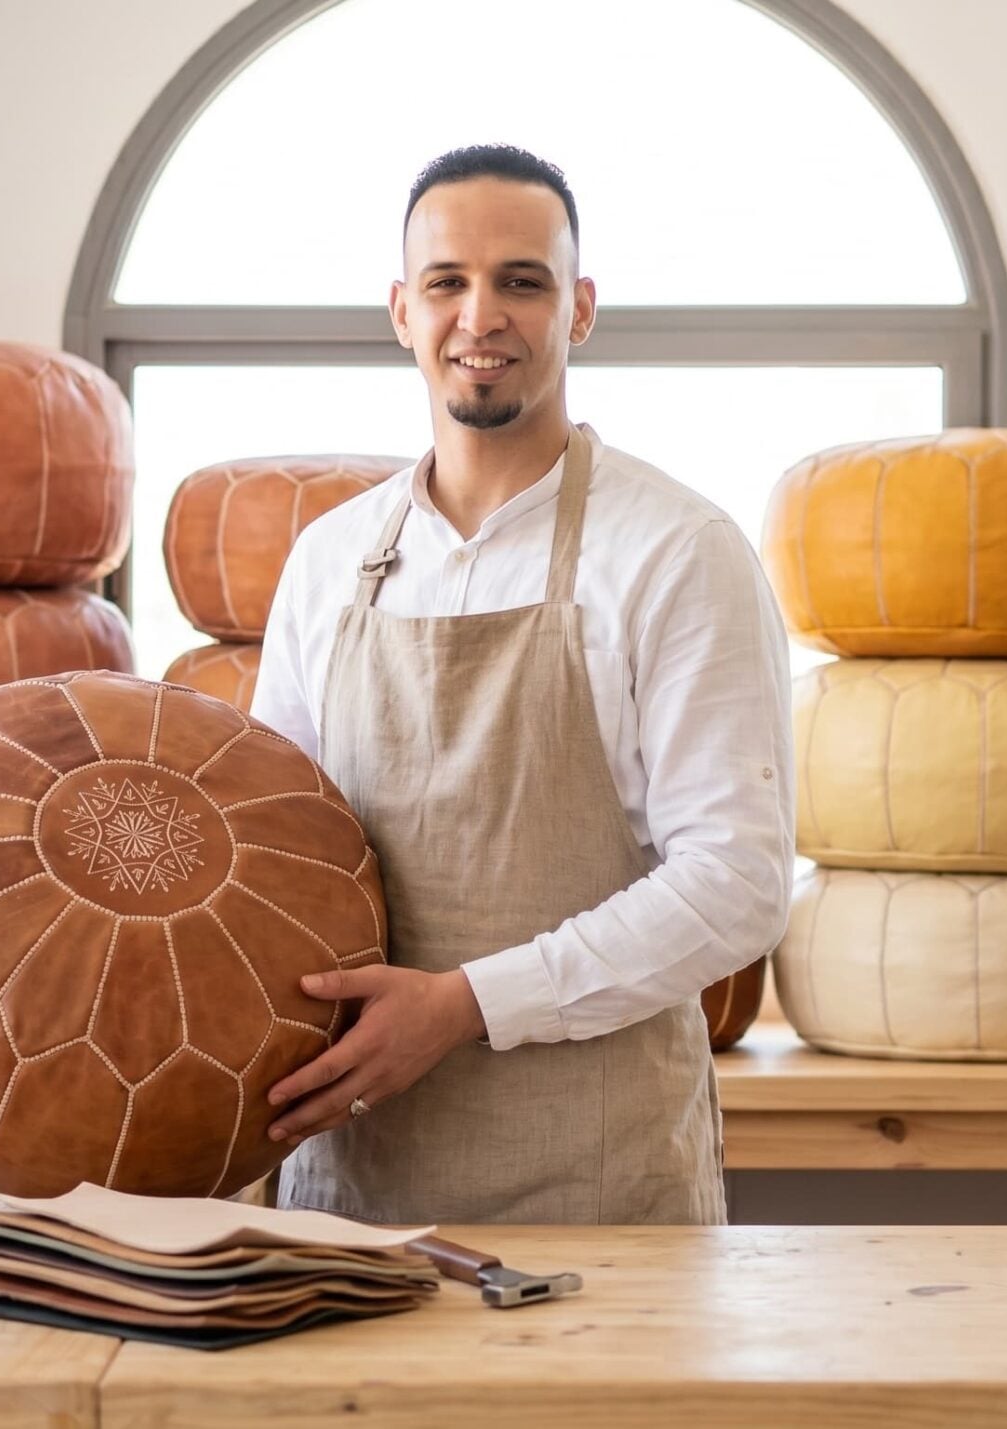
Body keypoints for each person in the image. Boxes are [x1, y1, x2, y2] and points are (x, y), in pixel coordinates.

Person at [249, 144, 794, 1225]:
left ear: (579, 309)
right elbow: (271, 855)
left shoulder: (677, 550)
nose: (480, 315)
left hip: (600, 1191)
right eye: (447, 282)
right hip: (348, 1202)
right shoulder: (327, 561)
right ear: (401, 311)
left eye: (522, 281)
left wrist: (461, 1007)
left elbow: (737, 881)